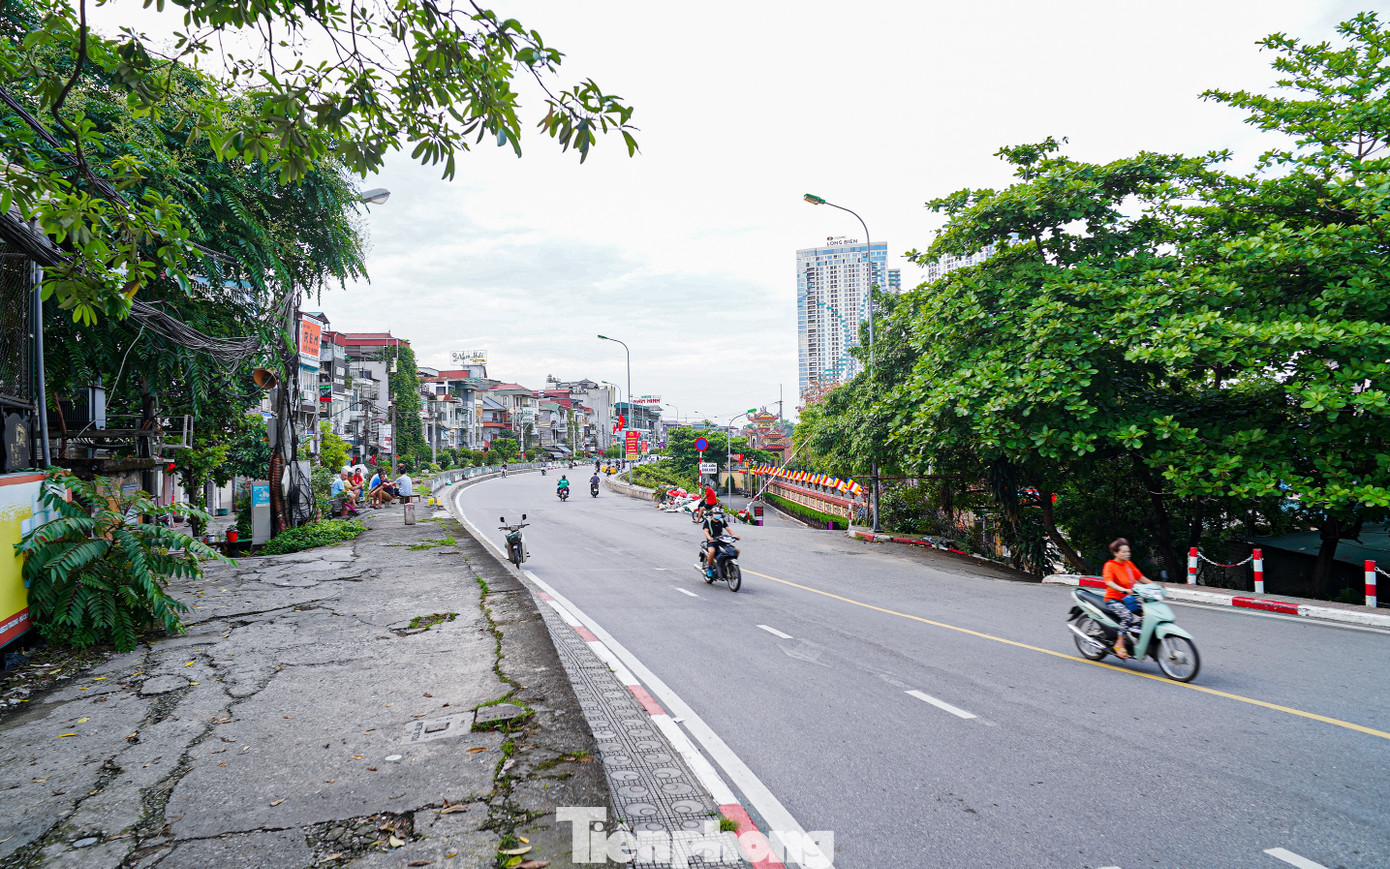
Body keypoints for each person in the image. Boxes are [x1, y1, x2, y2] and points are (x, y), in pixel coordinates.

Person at [1102, 537, 1146, 658]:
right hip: (1112, 600)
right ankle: (1119, 643)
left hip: (1127, 599)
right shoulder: (1110, 565)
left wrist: (1155, 587)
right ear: (1116, 553)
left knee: (1147, 611)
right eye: (1124, 552)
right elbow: (1109, 582)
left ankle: (1139, 635)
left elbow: (1141, 578)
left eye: (1128, 551)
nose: (1127, 554)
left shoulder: (1129, 565)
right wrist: (1123, 589)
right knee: (1127, 616)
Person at [701, 507, 739, 578]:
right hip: (712, 541)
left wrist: (734, 536)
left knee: (736, 550)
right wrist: (709, 538)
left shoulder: (722, 521)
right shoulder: (708, 521)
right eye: (715, 513)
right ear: (712, 514)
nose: (717, 515)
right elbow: (706, 531)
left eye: (718, 513)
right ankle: (709, 568)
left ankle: (730, 564)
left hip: (721, 540)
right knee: (712, 551)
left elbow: (728, 530)